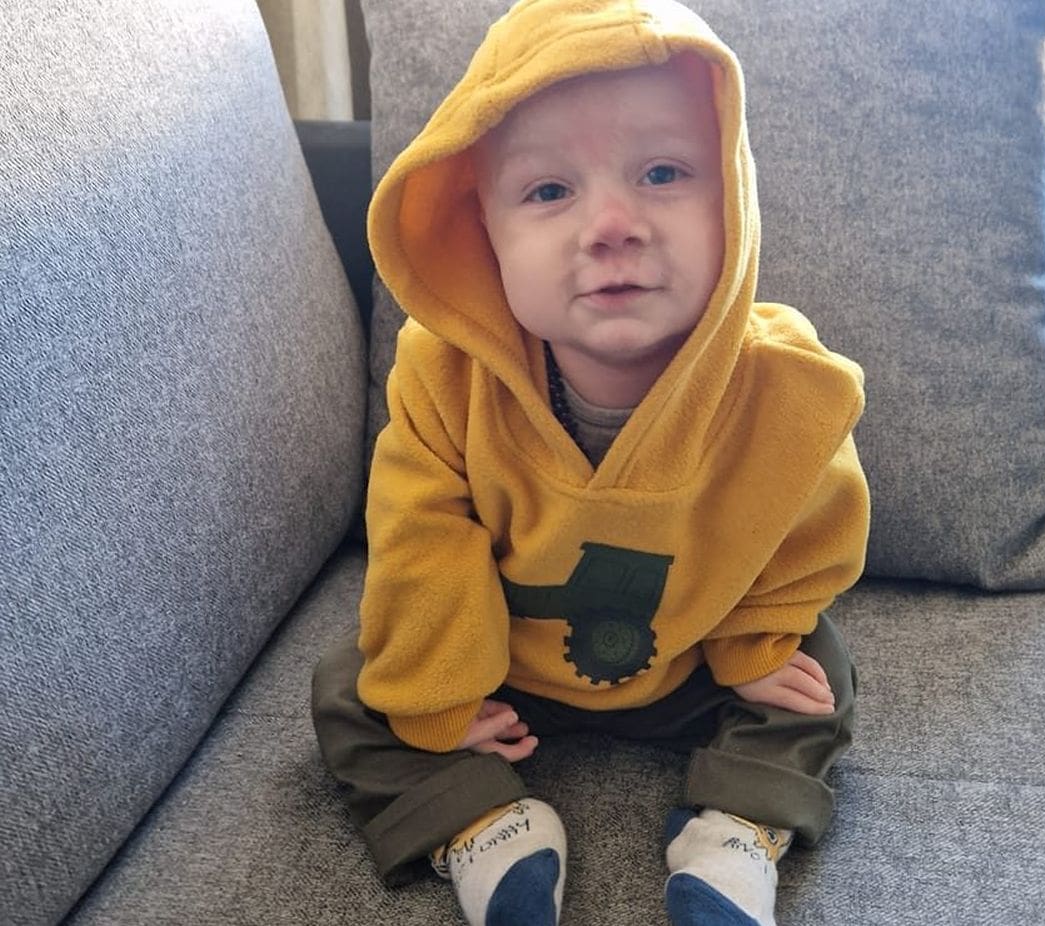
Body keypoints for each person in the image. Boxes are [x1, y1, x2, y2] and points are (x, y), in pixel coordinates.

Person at [312, 1, 870, 924]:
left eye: (663, 173)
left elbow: (812, 531)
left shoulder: (787, 386)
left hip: (691, 659)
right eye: (548, 191)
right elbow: (418, 532)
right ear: (483, 234)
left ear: (731, 196)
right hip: (505, 666)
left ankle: (734, 831)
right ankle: (486, 824)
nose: (612, 225)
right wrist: (442, 693)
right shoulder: (444, 376)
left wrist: (751, 644)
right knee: (355, 682)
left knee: (817, 674)